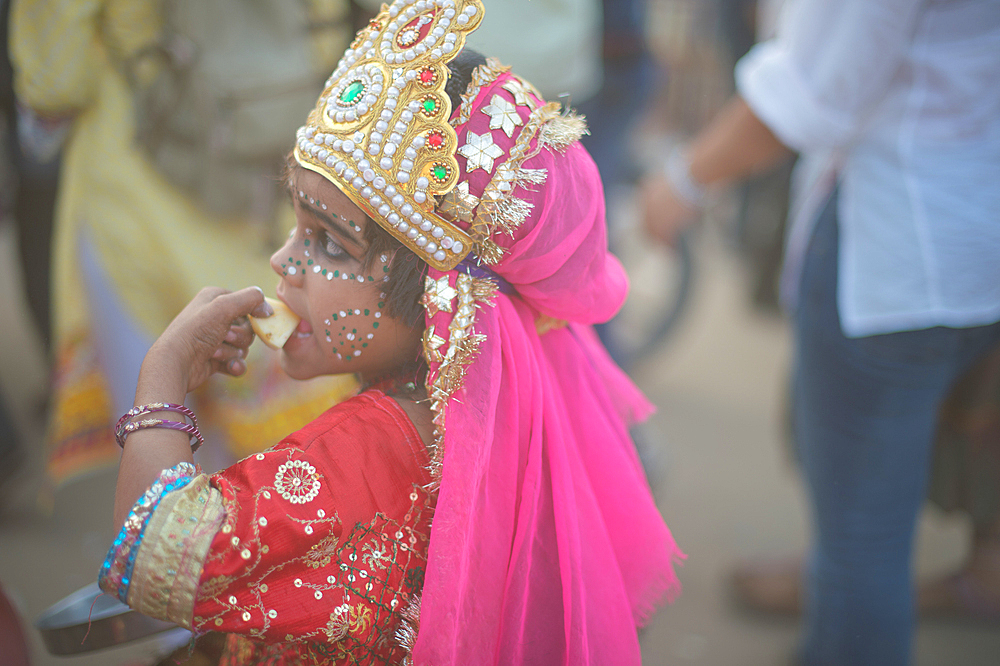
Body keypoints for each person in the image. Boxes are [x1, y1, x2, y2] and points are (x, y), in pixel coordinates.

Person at [98, 1, 683, 663]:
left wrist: (164, 374)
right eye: (295, 226)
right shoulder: (474, 417)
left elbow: (155, 555)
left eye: (329, 243)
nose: (283, 262)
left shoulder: (375, 443)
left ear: (437, 294)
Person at [642, 0, 1000, 664]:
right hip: (969, 227)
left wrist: (682, 181)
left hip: (897, 245)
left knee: (864, 541)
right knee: (870, 521)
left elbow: (809, 94)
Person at [9, 0, 358, 486]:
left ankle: (199, 553)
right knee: (278, 460)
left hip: (135, 191)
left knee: (163, 445)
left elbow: (55, 80)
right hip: (272, 157)